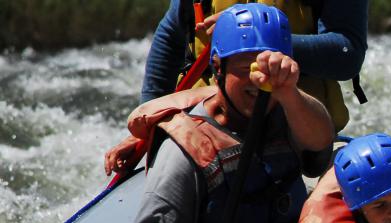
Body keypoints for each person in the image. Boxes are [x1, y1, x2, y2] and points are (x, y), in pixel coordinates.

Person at [116, 4, 334, 223]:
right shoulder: (187, 148)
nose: (258, 82)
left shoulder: (288, 113)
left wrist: (288, 91)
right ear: (218, 68)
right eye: (247, 69)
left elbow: (320, 144)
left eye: (267, 69)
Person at [104, 0, 367, 176]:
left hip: (297, 140)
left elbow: (348, 53)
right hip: (213, 125)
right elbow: (171, 36)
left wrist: (260, 39)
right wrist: (148, 131)